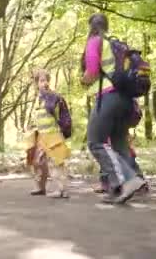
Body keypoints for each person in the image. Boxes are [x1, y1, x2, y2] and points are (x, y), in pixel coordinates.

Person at [81, 13, 146, 204]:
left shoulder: (95, 41)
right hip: (126, 100)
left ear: (91, 26)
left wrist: (83, 80)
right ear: (106, 26)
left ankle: (128, 181)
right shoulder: (117, 45)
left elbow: (92, 72)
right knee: (119, 143)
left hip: (108, 97)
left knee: (96, 142)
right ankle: (126, 186)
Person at [24, 69, 72, 198]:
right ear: (36, 83)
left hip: (53, 135)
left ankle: (62, 189)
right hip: (40, 136)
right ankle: (40, 187)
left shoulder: (54, 97)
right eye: (41, 81)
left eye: (46, 80)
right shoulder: (36, 99)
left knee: (56, 162)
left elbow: (62, 116)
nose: (44, 83)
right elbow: (36, 117)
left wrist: (64, 130)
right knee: (38, 162)